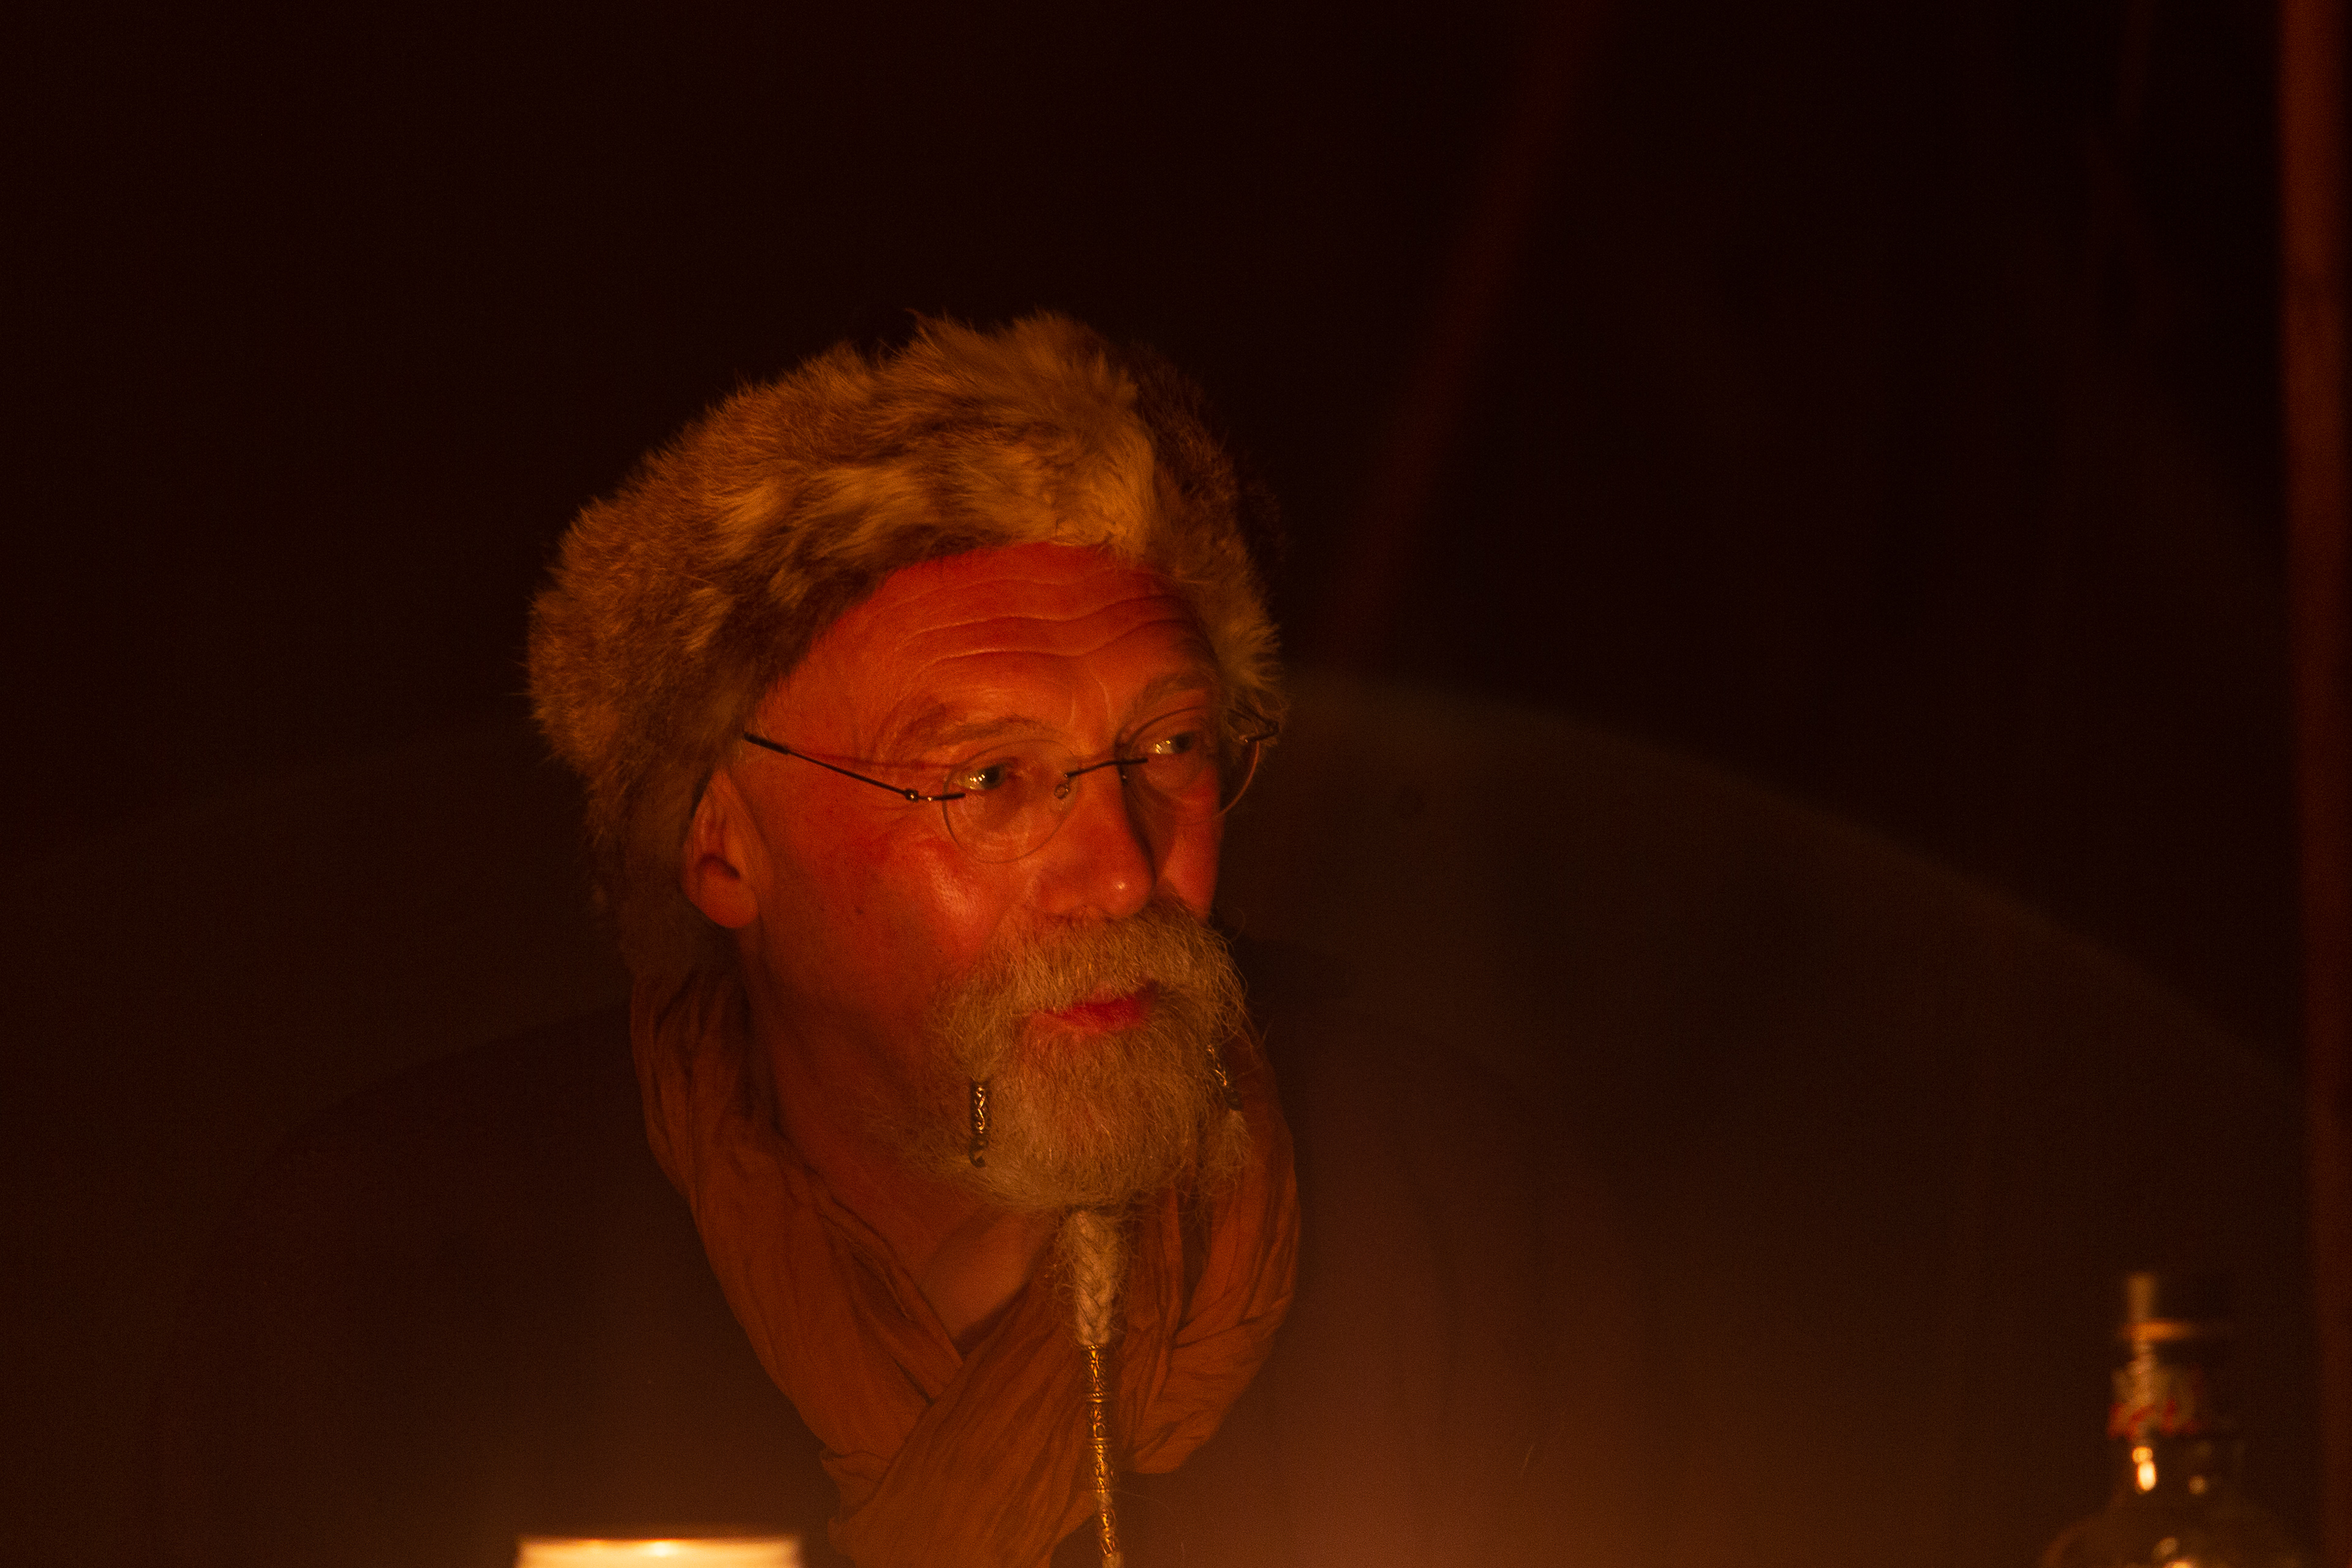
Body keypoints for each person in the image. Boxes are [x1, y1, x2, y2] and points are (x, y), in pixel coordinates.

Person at [143, 315, 1642, 1568]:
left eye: (1172, 747)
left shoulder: (1452, 1222)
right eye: (987, 780)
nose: (1123, 873)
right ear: (722, 847)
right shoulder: (393, 1278)